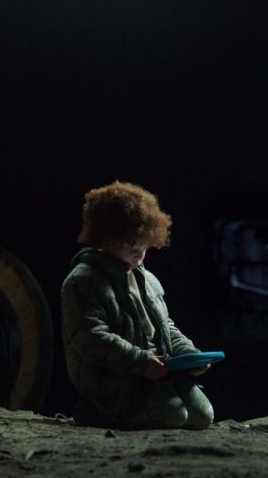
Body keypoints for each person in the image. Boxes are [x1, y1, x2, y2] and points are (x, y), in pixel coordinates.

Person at [60, 181, 214, 429]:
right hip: (115, 377)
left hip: (157, 373)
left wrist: (188, 353)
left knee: (202, 415)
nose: (140, 252)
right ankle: (94, 411)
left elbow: (165, 326)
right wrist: (141, 362)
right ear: (107, 237)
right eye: (131, 243)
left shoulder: (147, 278)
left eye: (143, 244)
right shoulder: (82, 281)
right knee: (173, 415)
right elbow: (90, 338)